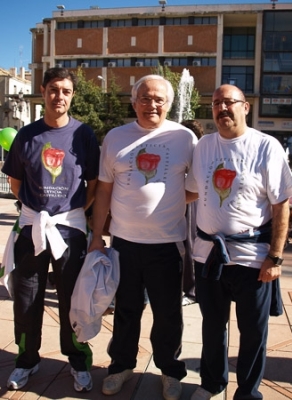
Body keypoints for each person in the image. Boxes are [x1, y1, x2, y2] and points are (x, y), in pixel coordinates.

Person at [185, 84, 292, 400]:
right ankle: (211, 383)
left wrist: (275, 257)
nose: (222, 108)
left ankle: (247, 392)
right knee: (212, 327)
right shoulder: (204, 146)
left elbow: (281, 204)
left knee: (252, 333)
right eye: (216, 102)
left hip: (252, 258)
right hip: (209, 254)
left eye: (229, 102)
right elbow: (192, 191)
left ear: (245, 107)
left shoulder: (266, 146)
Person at [89, 74, 197, 400]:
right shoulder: (116, 137)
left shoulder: (185, 138)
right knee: (126, 310)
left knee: (167, 314)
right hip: (124, 242)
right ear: (134, 102)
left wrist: (168, 203)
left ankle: (170, 371)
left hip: (167, 244)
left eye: (159, 99)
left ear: (169, 104)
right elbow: (104, 189)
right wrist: (97, 236)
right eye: (145, 98)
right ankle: (121, 367)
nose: (152, 104)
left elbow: (194, 188)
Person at [2, 67, 100, 393]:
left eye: (66, 91)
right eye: (54, 89)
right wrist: (38, 212)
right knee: (26, 300)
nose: (59, 96)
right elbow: (16, 184)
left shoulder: (83, 135)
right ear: (43, 91)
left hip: (70, 231)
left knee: (74, 300)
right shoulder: (26, 136)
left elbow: (94, 185)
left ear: (72, 96)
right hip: (31, 228)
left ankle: (77, 359)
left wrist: (70, 215)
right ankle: (26, 361)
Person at [180, 119, 204, 305]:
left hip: (189, 201)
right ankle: (188, 287)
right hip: (188, 200)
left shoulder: (195, 152)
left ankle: (191, 289)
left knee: (189, 241)